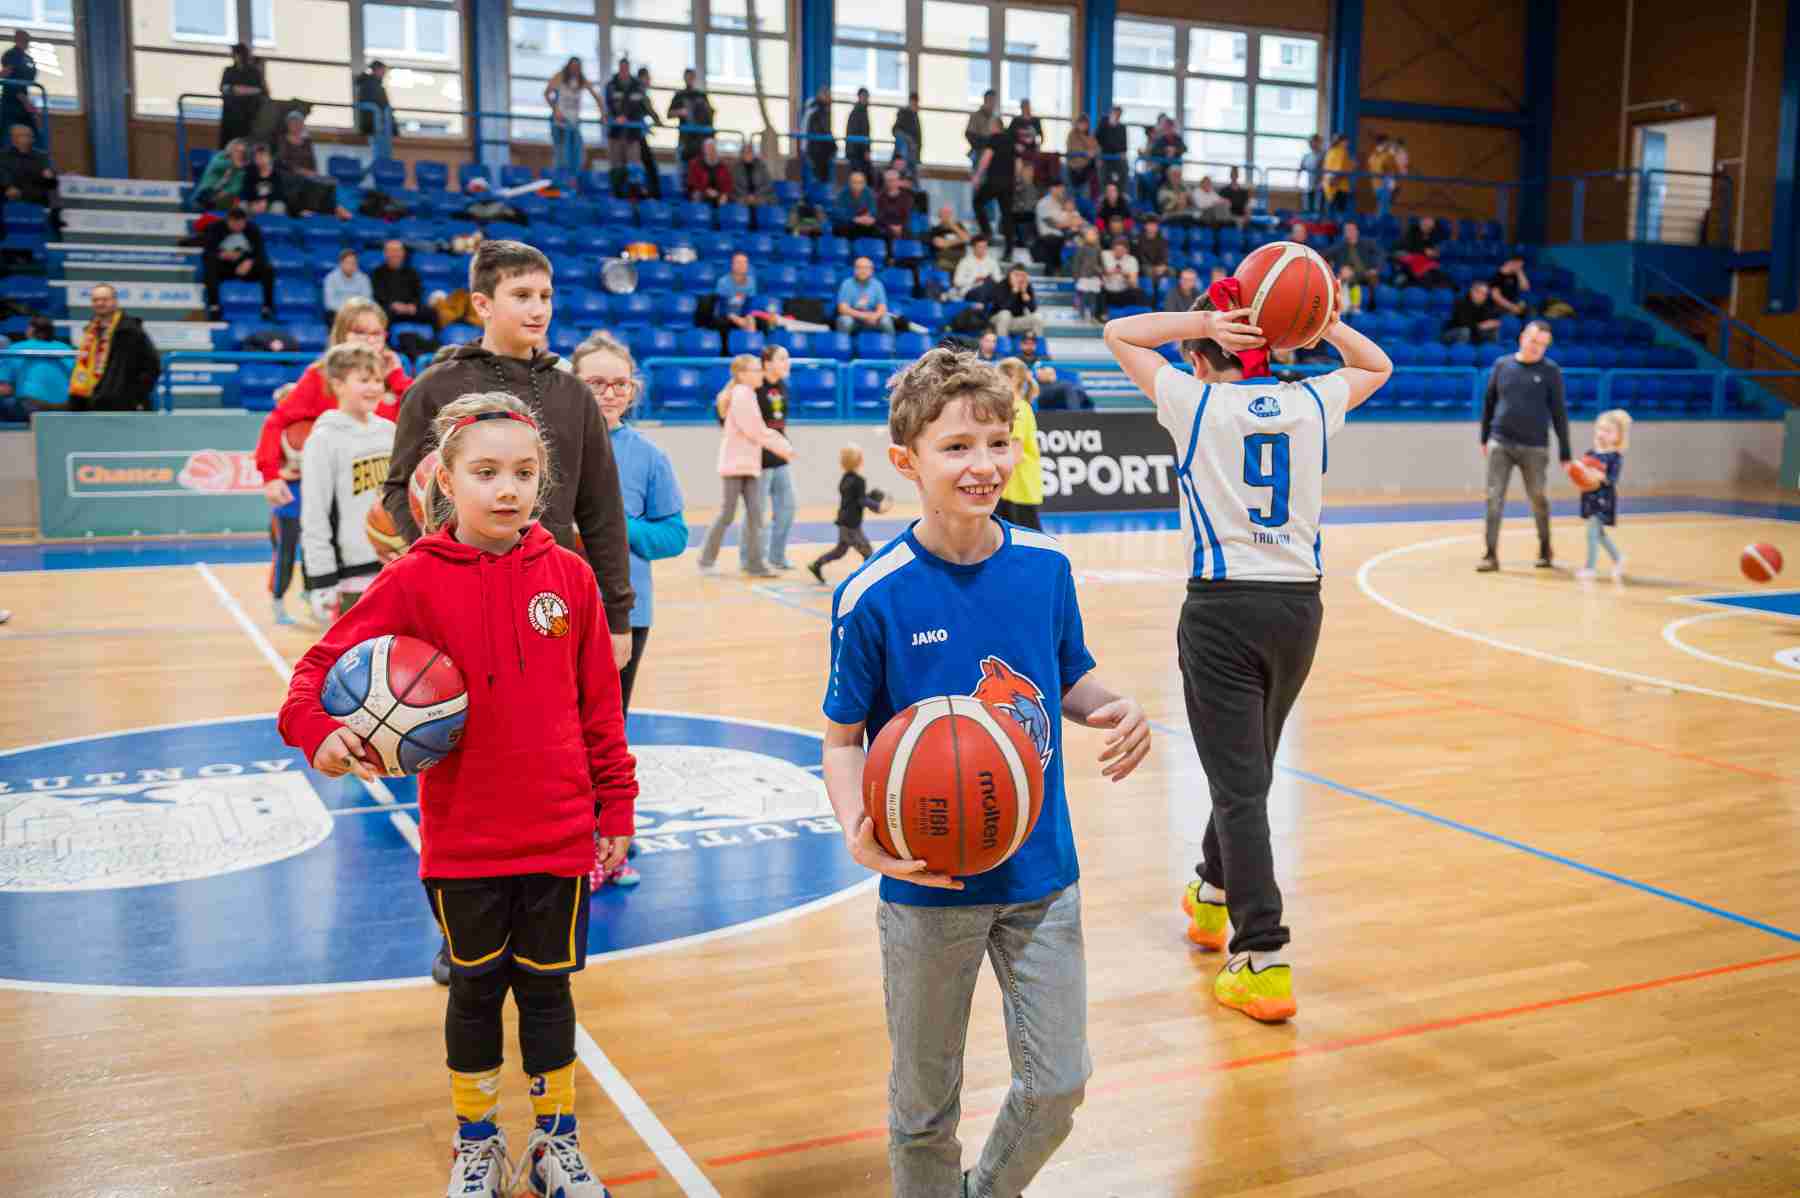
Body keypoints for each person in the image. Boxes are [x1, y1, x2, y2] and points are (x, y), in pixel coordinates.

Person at [279, 388, 637, 1198]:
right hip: (465, 838)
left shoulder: (571, 578)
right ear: (444, 480)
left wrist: (616, 805)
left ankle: (554, 1144)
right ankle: (477, 1143)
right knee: (474, 991)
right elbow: (314, 671)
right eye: (485, 472)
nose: (507, 489)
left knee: (548, 991)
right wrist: (316, 730)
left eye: (524, 473)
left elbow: (600, 711)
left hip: (557, 834)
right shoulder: (412, 580)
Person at [819, 346, 1150, 1198]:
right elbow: (842, 738)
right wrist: (857, 831)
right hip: (926, 883)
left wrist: (1116, 706)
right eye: (958, 447)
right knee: (924, 1106)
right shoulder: (873, 593)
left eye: (999, 443)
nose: (984, 465)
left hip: (1041, 871)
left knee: (1059, 1082)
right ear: (907, 461)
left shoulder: (1045, 566)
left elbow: (1066, 678)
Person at [1103, 274, 1391, 1023]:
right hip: (1299, 608)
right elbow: (1377, 365)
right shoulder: (1310, 401)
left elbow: (1119, 332)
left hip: (1222, 610)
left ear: (1202, 355)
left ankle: (1262, 956)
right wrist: (1320, 326)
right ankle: (1211, 893)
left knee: (1239, 789)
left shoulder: (1194, 402)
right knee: (1248, 773)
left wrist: (1200, 322)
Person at [383, 240, 637, 663]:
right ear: (482, 304)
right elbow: (398, 488)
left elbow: (602, 510)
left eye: (545, 296)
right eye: (521, 296)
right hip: (457, 601)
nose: (538, 310)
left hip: (550, 601)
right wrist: (430, 554)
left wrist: (617, 616)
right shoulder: (434, 388)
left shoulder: (575, 395)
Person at [572, 331, 686, 720]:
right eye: (596, 383)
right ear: (572, 385)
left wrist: (613, 524)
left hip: (624, 612)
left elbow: (674, 536)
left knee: (609, 719)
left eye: (620, 384)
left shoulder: (650, 456)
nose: (610, 393)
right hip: (555, 607)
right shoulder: (546, 445)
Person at [254, 298, 412, 502]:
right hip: (331, 490)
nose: (369, 340)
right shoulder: (319, 376)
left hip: (384, 491)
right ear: (342, 334)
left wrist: (397, 378)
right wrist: (270, 477)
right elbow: (275, 421)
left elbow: (423, 418)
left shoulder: (394, 378)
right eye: (359, 332)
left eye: (376, 333)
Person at [298, 343, 395, 623]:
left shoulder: (390, 431)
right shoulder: (323, 440)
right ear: (338, 384)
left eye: (378, 380)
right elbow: (315, 514)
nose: (374, 388)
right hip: (350, 576)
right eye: (363, 380)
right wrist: (321, 579)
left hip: (394, 565)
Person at [1478, 320, 1571, 572]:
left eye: (1542, 344)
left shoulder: (1551, 371)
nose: (1536, 347)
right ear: (1522, 338)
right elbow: (1489, 402)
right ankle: (1490, 554)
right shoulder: (1502, 365)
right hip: (1501, 442)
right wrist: (1484, 437)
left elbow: (1559, 412)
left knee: (1538, 497)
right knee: (1494, 498)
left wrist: (1565, 451)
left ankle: (1545, 548)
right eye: (1533, 340)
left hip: (1535, 447)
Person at [696, 353, 791, 578]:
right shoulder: (741, 395)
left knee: (756, 515)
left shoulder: (748, 394)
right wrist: (783, 446)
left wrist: (780, 445)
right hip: (734, 466)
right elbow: (755, 430)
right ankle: (705, 560)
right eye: (756, 370)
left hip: (749, 465)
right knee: (727, 514)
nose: (760, 374)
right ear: (742, 375)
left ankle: (755, 564)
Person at [67, 284, 161, 412]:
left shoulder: (130, 330)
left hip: (122, 406)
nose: (100, 303)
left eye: (105, 299)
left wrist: (136, 397)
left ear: (115, 301)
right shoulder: (90, 331)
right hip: (90, 402)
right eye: (95, 300)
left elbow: (152, 366)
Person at [804, 443, 883, 583]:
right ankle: (866, 579)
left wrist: (867, 497)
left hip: (843, 520)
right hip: (852, 524)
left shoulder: (845, 479)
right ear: (860, 461)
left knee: (840, 551)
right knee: (867, 551)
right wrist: (877, 506)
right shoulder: (859, 481)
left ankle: (816, 565)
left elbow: (854, 498)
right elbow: (861, 500)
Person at [1577, 408, 1630, 581]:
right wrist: (1579, 471)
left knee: (1591, 532)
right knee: (1598, 533)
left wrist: (1599, 475)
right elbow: (1581, 475)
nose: (1602, 434)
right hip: (1589, 497)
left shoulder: (1615, 457)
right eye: (1600, 429)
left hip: (1603, 499)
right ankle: (1618, 558)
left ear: (1618, 436)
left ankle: (1590, 568)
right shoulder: (1590, 454)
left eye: (1608, 431)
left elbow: (1612, 479)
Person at [757, 343, 797, 571]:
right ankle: (754, 559)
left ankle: (777, 557)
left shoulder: (782, 386)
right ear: (767, 362)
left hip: (779, 457)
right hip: (759, 459)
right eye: (782, 358)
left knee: (787, 508)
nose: (786, 363)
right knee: (757, 514)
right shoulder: (754, 386)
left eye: (787, 358)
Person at [993, 356, 1043, 529]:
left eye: (998, 378)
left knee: (1031, 537)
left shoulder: (1019, 409)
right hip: (1010, 487)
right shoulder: (1013, 407)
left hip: (1020, 485)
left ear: (1012, 379)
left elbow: (1015, 454)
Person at [201, 206, 275, 319]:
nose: (237, 228)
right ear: (228, 221)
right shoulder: (215, 228)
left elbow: (261, 254)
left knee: (268, 269)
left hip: (245, 266)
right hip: (224, 266)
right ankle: (214, 306)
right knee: (210, 267)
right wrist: (221, 255)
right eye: (234, 225)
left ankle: (267, 307)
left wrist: (249, 262)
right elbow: (207, 253)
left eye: (240, 225)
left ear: (245, 221)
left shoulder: (253, 229)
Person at [0, 314, 71, 420]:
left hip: (31, 408)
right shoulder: (66, 349)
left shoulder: (15, 350)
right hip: (65, 406)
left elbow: (4, 389)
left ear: (31, 330)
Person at [970, 116, 1017, 258]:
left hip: (994, 181)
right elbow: (1018, 163)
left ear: (995, 126)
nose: (989, 129)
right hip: (1009, 184)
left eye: (990, 126)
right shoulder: (1011, 141)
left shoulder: (994, 138)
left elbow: (986, 158)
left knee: (977, 202)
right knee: (1007, 216)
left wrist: (977, 176)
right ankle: (1009, 251)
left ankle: (987, 232)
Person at [544, 58, 600, 176]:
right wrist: (556, 110)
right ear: (568, 66)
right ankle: (560, 179)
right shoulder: (560, 76)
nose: (574, 69)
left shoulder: (581, 79)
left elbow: (597, 96)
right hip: (559, 122)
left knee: (578, 154)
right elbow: (547, 93)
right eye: (573, 66)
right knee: (561, 154)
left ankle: (573, 179)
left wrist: (602, 113)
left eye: (577, 67)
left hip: (573, 122)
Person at [1325, 221, 1385, 308]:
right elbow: (1324, 256)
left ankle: (1372, 306)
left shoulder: (1368, 243)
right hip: (1350, 275)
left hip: (1367, 273)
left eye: (1351, 230)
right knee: (1345, 279)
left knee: (1373, 278)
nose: (1349, 232)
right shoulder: (1339, 247)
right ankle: (1352, 308)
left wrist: (1375, 268)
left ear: (1357, 231)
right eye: (1347, 230)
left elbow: (1381, 254)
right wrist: (1337, 270)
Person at [217, 43, 266, 149]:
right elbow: (223, 88)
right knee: (228, 143)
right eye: (234, 54)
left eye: (238, 54)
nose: (236, 57)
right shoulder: (229, 70)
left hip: (248, 114)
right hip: (230, 113)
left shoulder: (254, 72)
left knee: (246, 143)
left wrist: (237, 89)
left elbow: (260, 90)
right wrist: (238, 89)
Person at [371, 239, 425, 327]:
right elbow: (378, 295)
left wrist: (413, 305)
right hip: (390, 309)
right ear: (385, 254)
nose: (395, 254)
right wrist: (393, 305)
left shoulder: (412, 272)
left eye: (398, 250)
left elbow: (418, 292)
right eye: (391, 251)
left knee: (432, 313)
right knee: (381, 315)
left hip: (410, 309)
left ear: (403, 253)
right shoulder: (378, 273)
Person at [835, 256, 893, 335]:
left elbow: (882, 308)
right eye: (859, 268)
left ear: (872, 271)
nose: (863, 271)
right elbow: (843, 309)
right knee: (845, 321)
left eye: (866, 268)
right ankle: (843, 342)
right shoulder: (846, 284)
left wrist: (875, 316)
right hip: (853, 318)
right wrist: (864, 316)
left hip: (872, 319)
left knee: (886, 320)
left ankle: (890, 342)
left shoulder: (878, 285)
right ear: (854, 270)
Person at [0, 121, 52, 204]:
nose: (31, 138)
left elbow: (48, 178)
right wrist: (8, 186)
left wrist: (50, 175)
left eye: (30, 136)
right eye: (24, 135)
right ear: (13, 138)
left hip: (35, 200)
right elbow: (3, 174)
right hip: (7, 200)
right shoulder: (3, 156)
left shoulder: (42, 156)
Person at [668, 68, 713, 163]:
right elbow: (669, 114)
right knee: (683, 164)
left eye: (691, 77)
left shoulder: (701, 95)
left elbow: (710, 114)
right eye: (687, 77)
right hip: (685, 137)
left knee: (698, 165)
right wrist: (680, 112)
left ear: (694, 78)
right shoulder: (680, 95)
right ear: (684, 78)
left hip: (699, 138)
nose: (689, 79)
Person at [354, 59, 394, 164]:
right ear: (376, 70)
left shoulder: (369, 84)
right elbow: (381, 106)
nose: (384, 74)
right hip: (374, 128)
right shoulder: (372, 85)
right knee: (377, 158)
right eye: (383, 71)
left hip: (373, 127)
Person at [713, 251, 759, 341]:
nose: (742, 265)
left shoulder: (751, 282)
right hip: (726, 316)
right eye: (739, 262)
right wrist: (737, 320)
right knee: (723, 324)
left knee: (757, 322)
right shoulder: (723, 282)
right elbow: (722, 308)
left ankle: (751, 346)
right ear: (732, 265)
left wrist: (749, 318)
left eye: (745, 262)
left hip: (742, 315)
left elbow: (749, 306)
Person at [1033, 182, 1077, 274]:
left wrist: (1071, 216)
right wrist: (1070, 223)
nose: (1063, 191)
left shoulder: (1063, 203)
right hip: (1048, 238)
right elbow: (1053, 224)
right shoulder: (1043, 203)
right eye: (1060, 189)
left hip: (1064, 236)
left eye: (1063, 189)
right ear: (1052, 189)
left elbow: (1076, 219)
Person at [0, 30, 36, 140]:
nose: (26, 42)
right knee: (6, 132)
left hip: (20, 100)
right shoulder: (11, 55)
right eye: (24, 40)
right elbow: (7, 74)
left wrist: (26, 102)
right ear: (17, 40)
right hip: (11, 100)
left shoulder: (28, 59)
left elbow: (27, 78)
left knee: (31, 132)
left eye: (26, 40)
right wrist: (25, 101)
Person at [193, 138, 248, 211]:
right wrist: (233, 164)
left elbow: (236, 187)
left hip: (223, 199)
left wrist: (224, 193)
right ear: (230, 150)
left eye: (242, 152)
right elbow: (215, 164)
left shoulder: (241, 170)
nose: (239, 154)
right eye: (236, 151)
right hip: (204, 194)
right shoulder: (220, 157)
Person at [1442, 279, 1501, 345]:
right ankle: (1461, 349)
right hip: (1454, 331)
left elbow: (1490, 319)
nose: (1483, 296)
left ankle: (1491, 348)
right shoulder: (1461, 303)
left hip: (1473, 331)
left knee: (1492, 329)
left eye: (1485, 294)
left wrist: (1493, 323)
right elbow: (1463, 323)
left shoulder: (1486, 304)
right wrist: (1481, 326)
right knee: (1465, 331)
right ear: (1472, 292)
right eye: (1480, 292)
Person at [1100, 236, 1148, 315]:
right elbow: (1096, 271)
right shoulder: (1104, 255)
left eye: (1121, 250)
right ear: (1112, 249)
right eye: (1116, 250)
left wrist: (1125, 275)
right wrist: (1108, 273)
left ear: (1126, 251)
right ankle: (1101, 315)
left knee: (1139, 293)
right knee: (1096, 288)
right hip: (1106, 292)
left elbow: (1134, 284)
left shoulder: (1132, 260)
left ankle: (1144, 315)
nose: (1118, 252)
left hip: (1123, 292)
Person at [990, 266, 1042, 338]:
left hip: (1016, 320)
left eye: (1022, 275)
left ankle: (1038, 343)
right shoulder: (1000, 285)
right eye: (1016, 275)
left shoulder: (1027, 286)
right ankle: (1002, 343)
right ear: (1009, 275)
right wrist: (1014, 292)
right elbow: (1003, 307)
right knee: (1005, 314)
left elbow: (1033, 309)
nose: (1019, 278)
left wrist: (1024, 293)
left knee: (1037, 317)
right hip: (997, 319)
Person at [799, 84, 835, 183]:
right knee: (818, 178)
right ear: (821, 95)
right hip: (816, 149)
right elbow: (822, 130)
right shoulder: (817, 110)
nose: (829, 98)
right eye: (827, 95)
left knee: (818, 177)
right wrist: (833, 145)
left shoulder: (815, 108)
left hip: (815, 148)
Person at [323, 247, 372, 317]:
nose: (350, 266)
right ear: (341, 264)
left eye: (354, 263)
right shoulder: (330, 278)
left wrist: (354, 310)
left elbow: (367, 300)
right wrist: (346, 310)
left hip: (357, 312)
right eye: (347, 263)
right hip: (338, 312)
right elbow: (329, 303)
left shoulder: (364, 279)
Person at [951, 233, 1002, 299]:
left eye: (985, 247)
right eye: (980, 247)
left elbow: (998, 279)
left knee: (991, 285)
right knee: (984, 289)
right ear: (973, 248)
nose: (983, 250)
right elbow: (957, 281)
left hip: (988, 288)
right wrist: (974, 279)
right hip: (970, 290)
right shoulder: (965, 262)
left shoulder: (992, 261)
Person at [1069, 224, 1103, 320]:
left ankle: (1092, 315)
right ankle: (1082, 315)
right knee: (1082, 297)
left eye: (1094, 234)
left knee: (1093, 298)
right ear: (1085, 236)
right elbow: (1076, 264)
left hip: (1094, 277)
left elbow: (1100, 263)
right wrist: (1076, 277)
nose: (1092, 236)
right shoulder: (1081, 248)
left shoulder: (1098, 249)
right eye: (1090, 234)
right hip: (1083, 277)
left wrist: (1100, 274)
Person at [685, 138, 734, 205]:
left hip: (718, 194)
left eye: (713, 149)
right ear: (704, 150)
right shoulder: (695, 164)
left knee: (725, 199)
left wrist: (724, 194)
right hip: (701, 193)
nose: (711, 151)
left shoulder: (723, 166)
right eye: (708, 148)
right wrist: (705, 191)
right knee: (696, 195)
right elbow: (692, 182)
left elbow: (728, 184)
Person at [237, 142, 282, 214]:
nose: (260, 160)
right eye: (257, 158)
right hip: (253, 203)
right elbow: (246, 191)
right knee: (242, 205)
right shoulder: (250, 172)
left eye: (262, 156)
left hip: (270, 203)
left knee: (278, 206)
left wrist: (266, 201)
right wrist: (253, 203)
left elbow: (279, 193)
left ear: (269, 157)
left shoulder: (277, 173)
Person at [833, 169, 878, 238]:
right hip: (849, 224)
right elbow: (839, 213)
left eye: (860, 182)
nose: (857, 185)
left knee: (877, 228)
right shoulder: (842, 194)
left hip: (864, 224)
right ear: (849, 183)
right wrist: (854, 219)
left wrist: (869, 216)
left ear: (864, 183)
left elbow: (873, 209)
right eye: (854, 182)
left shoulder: (869, 192)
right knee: (839, 228)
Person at [927, 205, 971, 273]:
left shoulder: (959, 226)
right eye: (944, 213)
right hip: (945, 259)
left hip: (961, 259)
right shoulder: (935, 229)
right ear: (939, 215)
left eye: (948, 213)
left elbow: (967, 239)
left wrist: (953, 227)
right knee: (942, 265)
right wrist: (960, 240)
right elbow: (940, 244)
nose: (946, 216)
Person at [1064, 113, 1099, 195]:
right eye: (1082, 123)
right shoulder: (1072, 135)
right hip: (1073, 169)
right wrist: (1086, 153)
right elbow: (1073, 149)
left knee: (1085, 193)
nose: (1084, 126)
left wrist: (1093, 152)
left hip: (1086, 170)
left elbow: (1096, 148)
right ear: (1077, 124)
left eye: (1086, 124)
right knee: (1072, 194)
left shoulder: (1090, 135)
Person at [1097, 105, 1129, 189]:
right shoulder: (1103, 124)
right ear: (1111, 113)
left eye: (1119, 115)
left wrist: (1123, 153)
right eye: (1115, 113)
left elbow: (1124, 146)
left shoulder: (1122, 127)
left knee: (1123, 172)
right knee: (1103, 178)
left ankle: (1121, 192)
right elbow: (1098, 139)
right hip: (1104, 156)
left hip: (1117, 157)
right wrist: (1110, 126)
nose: (1117, 116)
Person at [731, 141, 774, 206]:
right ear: (741, 154)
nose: (747, 154)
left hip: (760, 195)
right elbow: (734, 185)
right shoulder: (736, 167)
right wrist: (747, 195)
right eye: (745, 152)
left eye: (749, 152)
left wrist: (755, 195)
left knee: (764, 203)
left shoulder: (761, 166)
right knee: (738, 203)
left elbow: (768, 183)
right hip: (742, 196)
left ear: (753, 154)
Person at [875, 167, 912, 239]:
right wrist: (891, 226)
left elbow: (907, 216)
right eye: (889, 180)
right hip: (885, 228)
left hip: (902, 228)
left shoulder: (907, 197)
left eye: (894, 180)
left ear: (899, 181)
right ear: (885, 182)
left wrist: (900, 226)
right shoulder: (879, 197)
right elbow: (880, 216)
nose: (891, 183)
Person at [1367, 134, 1396, 219]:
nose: (1388, 144)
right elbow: (1391, 168)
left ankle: (1379, 222)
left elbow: (1370, 166)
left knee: (1381, 207)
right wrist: (1391, 155)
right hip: (1384, 184)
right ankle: (1381, 224)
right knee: (1384, 209)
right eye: (1387, 142)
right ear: (1384, 142)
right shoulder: (1386, 155)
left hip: (1375, 184)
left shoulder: (1373, 155)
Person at [965, 90, 998, 168]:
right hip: (979, 152)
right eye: (990, 100)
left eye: (994, 101)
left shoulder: (996, 117)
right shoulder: (976, 116)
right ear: (985, 100)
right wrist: (981, 145)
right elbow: (969, 134)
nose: (992, 103)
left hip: (993, 152)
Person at [1322, 133, 1352, 216]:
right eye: (1346, 141)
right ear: (1342, 141)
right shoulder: (1341, 151)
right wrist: (1335, 180)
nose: (1348, 143)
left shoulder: (1330, 151)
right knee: (1339, 212)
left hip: (1328, 184)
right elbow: (1339, 168)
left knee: (1330, 211)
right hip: (1339, 185)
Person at [846, 87, 873, 178]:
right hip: (857, 151)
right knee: (860, 176)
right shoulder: (859, 111)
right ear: (859, 97)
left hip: (856, 150)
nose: (866, 99)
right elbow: (862, 132)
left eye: (867, 96)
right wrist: (866, 150)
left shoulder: (860, 110)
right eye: (864, 96)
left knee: (858, 175)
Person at [1135, 216, 1171, 284]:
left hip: (1158, 266)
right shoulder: (1138, 239)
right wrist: (1153, 268)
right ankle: (1151, 288)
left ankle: (1165, 288)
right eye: (1150, 225)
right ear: (1145, 226)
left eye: (1154, 225)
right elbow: (1139, 256)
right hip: (1143, 266)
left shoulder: (1162, 240)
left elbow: (1164, 255)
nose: (1152, 227)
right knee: (1149, 271)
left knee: (1171, 271)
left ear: (1157, 227)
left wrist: (1162, 265)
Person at [893, 93, 922, 168]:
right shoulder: (904, 113)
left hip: (912, 152)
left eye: (916, 103)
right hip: (905, 152)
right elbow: (896, 131)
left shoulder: (914, 115)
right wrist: (909, 140)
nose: (915, 105)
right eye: (913, 103)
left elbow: (918, 138)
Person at [1298, 134, 1324, 211]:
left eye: (1314, 142)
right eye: (1310, 142)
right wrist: (1297, 181)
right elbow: (1301, 168)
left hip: (1319, 187)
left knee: (1317, 208)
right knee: (1307, 207)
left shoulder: (1323, 155)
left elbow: (1322, 169)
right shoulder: (1306, 156)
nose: (1312, 144)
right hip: (1308, 186)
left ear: (1319, 143)